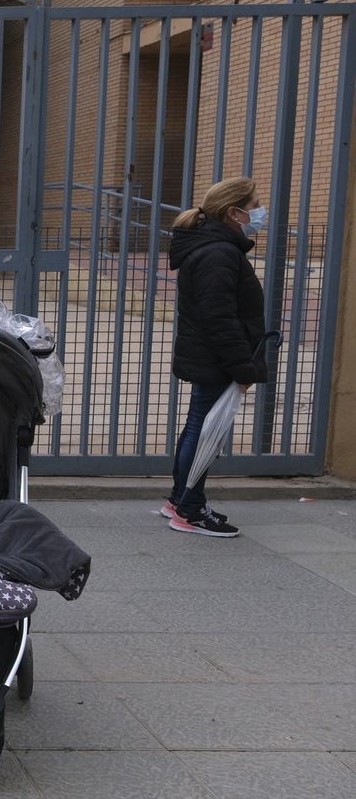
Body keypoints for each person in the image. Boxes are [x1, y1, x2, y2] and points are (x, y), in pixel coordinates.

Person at [162, 177, 269, 537]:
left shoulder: (216, 247)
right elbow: (220, 317)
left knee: (199, 427)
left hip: (209, 355)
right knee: (205, 432)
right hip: (217, 358)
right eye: (254, 206)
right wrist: (243, 367)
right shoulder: (219, 253)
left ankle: (180, 500)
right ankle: (188, 510)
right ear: (234, 212)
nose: (259, 212)